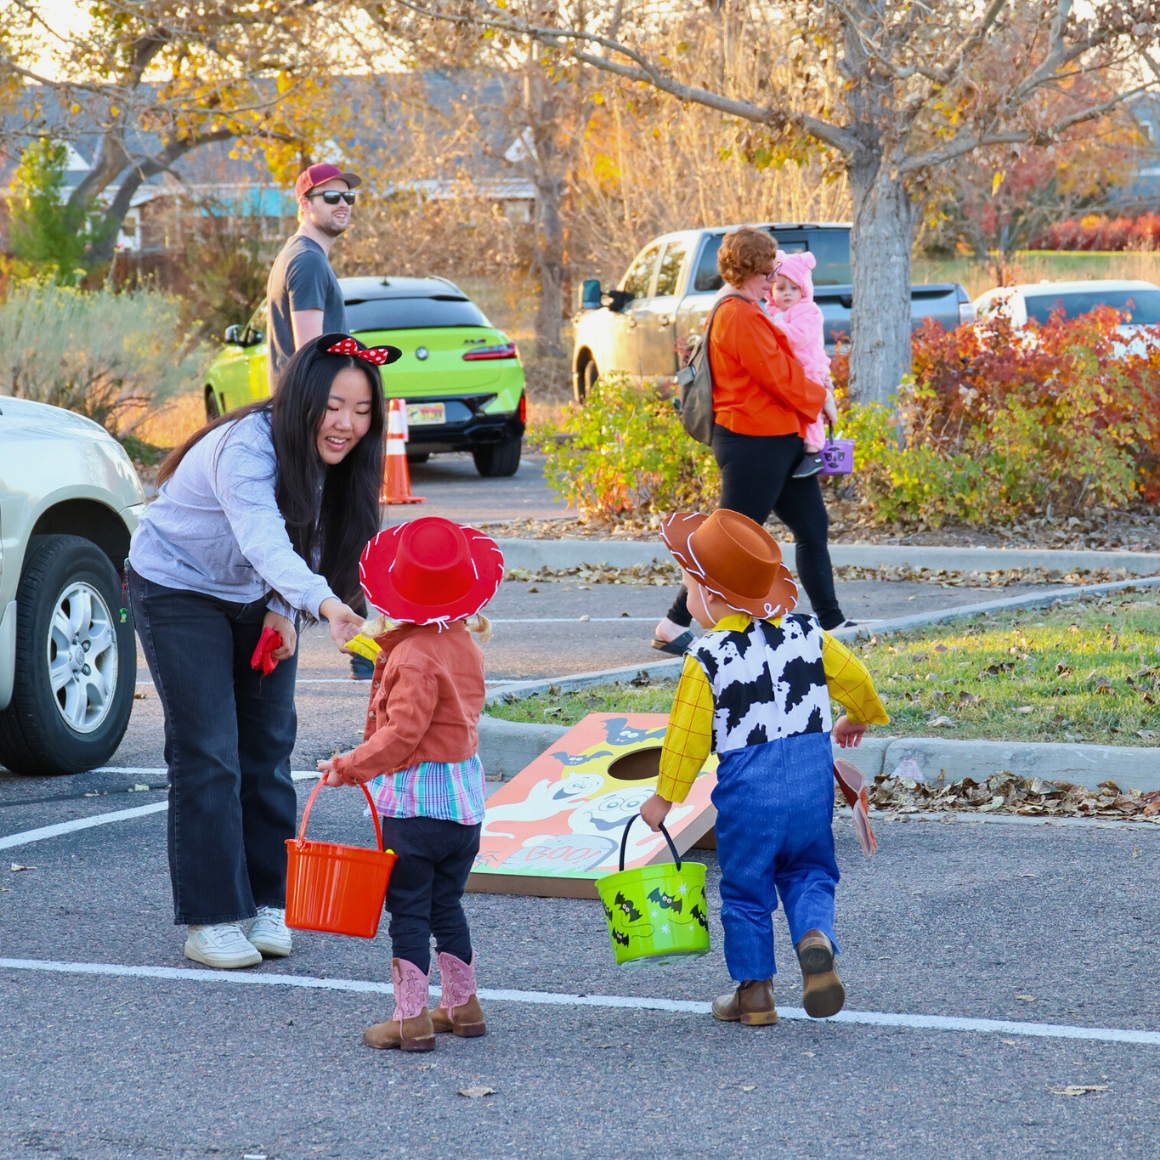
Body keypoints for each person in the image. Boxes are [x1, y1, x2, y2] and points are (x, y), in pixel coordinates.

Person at [128, 333, 397, 969]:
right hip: (177, 588)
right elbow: (265, 541)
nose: (347, 425)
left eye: (362, 412)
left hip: (262, 593)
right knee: (209, 749)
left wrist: (284, 610)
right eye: (334, 406)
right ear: (303, 396)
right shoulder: (245, 447)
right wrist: (327, 606)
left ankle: (270, 902)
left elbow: (315, 537)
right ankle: (213, 917)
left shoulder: (342, 462)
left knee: (269, 746)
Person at [640, 509, 889, 1025]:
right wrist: (854, 717)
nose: (687, 598)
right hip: (809, 777)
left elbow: (686, 736)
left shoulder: (707, 655)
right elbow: (856, 677)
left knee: (746, 886)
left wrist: (665, 797)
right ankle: (814, 937)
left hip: (749, 789)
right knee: (811, 870)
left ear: (710, 595)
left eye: (687, 587)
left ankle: (754, 994)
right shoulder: (806, 632)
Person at [318, 516, 504, 1053]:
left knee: (408, 911)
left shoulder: (411, 657)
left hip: (417, 808)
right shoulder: (460, 641)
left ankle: (410, 1018)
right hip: (463, 806)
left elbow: (403, 733)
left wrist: (351, 765)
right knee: (447, 905)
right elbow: (428, 685)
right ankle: (463, 1005)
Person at [653, 227, 853, 656]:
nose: (772, 281)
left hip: (776, 442)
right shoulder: (737, 314)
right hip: (752, 443)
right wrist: (821, 402)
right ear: (745, 271)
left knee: (812, 528)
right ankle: (672, 623)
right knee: (723, 545)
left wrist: (821, 399)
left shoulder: (746, 308)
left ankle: (834, 625)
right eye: (765, 272)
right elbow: (776, 376)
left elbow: (785, 367)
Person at [266, 161, 373, 677]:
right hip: (314, 418)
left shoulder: (308, 260)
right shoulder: (307, 262)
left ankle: (359, 645)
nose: (342, 204)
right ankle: (362, 648)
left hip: (315, 417)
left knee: (327, 527)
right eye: (330, 197)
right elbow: (313, 354)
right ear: (304, 205)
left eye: (348, 196)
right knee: (339, 526)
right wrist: (338, 415)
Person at [765, 250, 838, 479]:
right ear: (771, 292)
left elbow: (799, 336)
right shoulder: (774, 314)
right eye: (781, 288)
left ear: (804, 289)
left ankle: (814, 451)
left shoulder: (809, 311)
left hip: (810, 366)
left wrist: (771, 329)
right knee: (798, 409)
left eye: (794, 288)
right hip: (793, 370)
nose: (787, 294)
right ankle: (802, 446)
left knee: (812, 408)